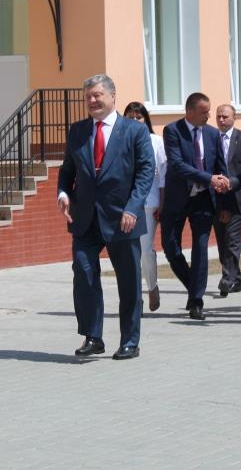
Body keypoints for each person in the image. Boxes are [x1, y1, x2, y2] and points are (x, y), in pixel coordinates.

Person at [57, 75, 155, 360]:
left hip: (123, 217)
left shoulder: (134, 131)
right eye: (88, 96)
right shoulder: (78, 131)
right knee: (84, 273)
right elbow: (67, 170)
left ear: (113, 96)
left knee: (129, 281)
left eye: (97, 95)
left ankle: (130, 341)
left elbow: (145, 172)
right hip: (85, 218)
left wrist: (132, 208)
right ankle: (93, 336)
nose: (92, 101)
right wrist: (63, 193)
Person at [161, 92, 230, 321]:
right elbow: (177, 165)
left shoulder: (212, 134)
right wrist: (209, 178)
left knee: (200, 248)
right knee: (170, 248)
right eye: (203, 112)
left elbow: (220, 167)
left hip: (203, 200)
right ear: (189, 112)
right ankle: (194, 286)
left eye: (208, 111)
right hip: (177, 198)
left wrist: (224, 203)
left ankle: (196, 301)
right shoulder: (172, 131)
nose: (208, 116)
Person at [123, 101, 168, 311]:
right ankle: (135, 299)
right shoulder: (119, 139)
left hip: (149, 203)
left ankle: (152, 287)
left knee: (145, 250)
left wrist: (163, 202)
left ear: (145, 119)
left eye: (138, 117)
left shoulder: (156, 141)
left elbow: (163, 174)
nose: (135, 120)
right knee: (129, 253)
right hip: (124, 204)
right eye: (130, 117)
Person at [213, 104, 241, 297]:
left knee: (232, 240)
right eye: (219, 116)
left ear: (234, 117)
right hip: (217, 198)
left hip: (237, 198)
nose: (221, 120)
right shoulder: (211, 138)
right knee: (222, 243)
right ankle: (236, 279)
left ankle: (227, 279)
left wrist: (232, 183)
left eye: (225, 116)